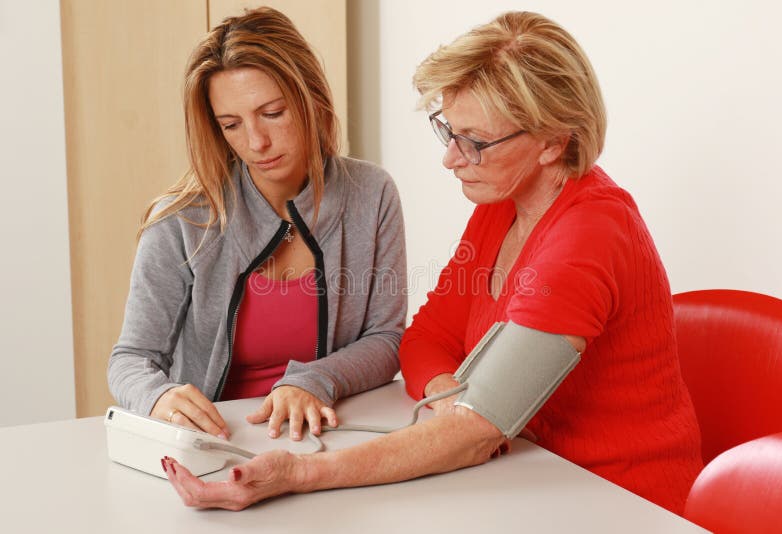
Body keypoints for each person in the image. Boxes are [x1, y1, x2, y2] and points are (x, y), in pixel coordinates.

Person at [162, 11, 702, 515]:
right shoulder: (503, 207)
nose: (451, 158)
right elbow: (424, 340)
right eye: (449, 131)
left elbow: (478, 432)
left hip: (617, 502)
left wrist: (300, 474)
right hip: (525, 480)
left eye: (475, 142)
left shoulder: (589, 235)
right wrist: (456, 401)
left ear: (553, 141)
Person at [108, 7, 406, 443]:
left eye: (272, 113)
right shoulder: (181, 220)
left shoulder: (372, 193)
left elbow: (385, 340)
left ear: (311, 98)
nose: (256, 142)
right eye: (231, 124)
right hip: (215, 444)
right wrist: (157, 397)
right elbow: (131, 358)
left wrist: (312, 379)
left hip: (333, 436)